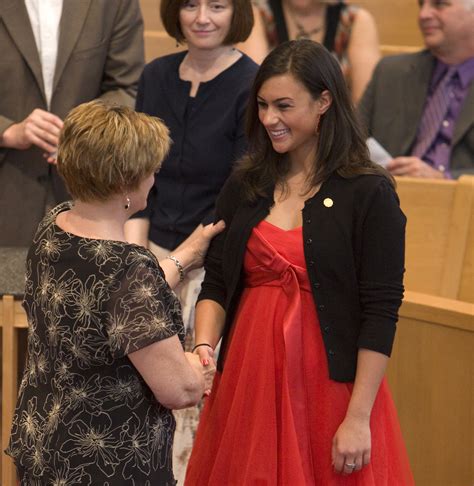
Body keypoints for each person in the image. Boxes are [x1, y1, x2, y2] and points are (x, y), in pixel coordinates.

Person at [185, 40, 414, 485]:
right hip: (247, 385)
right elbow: (216, 282)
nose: (269, 118)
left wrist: (358, 417)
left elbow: (381, 310)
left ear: (324, 100)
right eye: (263, 105)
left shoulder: (369, 191)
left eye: (284, 106)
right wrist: (203, 348)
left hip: (329, 390)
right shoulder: (245, 183)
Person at [6, 100, 224, 485]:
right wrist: (196, 367)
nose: (154, 180)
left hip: (44, 447)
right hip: (109, 467)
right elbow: (178, 390)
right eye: (151, 172)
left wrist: (186, 254)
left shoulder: (54, 224)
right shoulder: (128, 270)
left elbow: (109, 299)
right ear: (126, 183)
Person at [124, 0, 258, 478]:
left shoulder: (251, 82)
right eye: (190, 5)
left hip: (214, 252)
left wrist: (190, 255)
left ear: (236, 12)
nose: (202, 17)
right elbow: (142, 174)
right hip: (148, 243)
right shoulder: (157, 75)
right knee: (135, 384)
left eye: (217, 5)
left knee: (193, 390)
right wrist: (140, 257)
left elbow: (241, 187)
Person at [0, 0, 145, 247]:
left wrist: (80, 133)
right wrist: (7, 131)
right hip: (9, 184)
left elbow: (127, 87)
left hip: (87, 192)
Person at [359, 0, 474, 179]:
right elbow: (348, 144)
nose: (423, 15)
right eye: (422, 4)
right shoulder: (390, 73)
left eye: (439, 4)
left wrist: (443, 179)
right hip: (385, 197)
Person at [237, 0, 380, 102]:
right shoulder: (259, 13)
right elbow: (255, 90)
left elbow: (365, 103)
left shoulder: (355, 20)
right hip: (274, 127)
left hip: (335, 132)